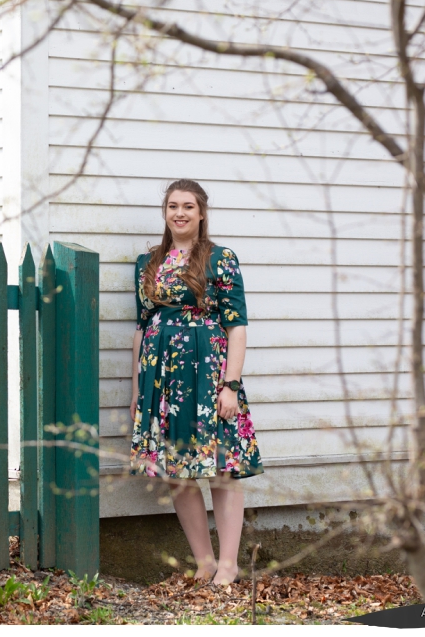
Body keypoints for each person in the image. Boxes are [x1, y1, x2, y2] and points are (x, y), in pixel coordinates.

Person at [129, 178, 264, 586]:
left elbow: (236, 326)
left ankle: (229, 564)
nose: (180, 213)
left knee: (222, 467)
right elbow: (141, 327)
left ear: (202, 213)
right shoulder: (148, 262)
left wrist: (231, 386)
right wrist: (137, 392)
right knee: (177, 469)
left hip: (208, 373)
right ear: (165, 213)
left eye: (188, 206)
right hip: (161, 377)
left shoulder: (219, 258)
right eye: (173, 206)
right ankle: (204, 562)